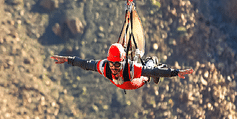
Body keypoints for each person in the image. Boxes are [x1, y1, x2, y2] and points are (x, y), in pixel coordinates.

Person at [51, 43, 193, 90]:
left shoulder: (131, 69)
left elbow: (153, 71)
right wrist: (68, 59)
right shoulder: (104, 66)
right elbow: (85, 64)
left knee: (147, 73)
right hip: (119, 83)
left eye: (117, 63)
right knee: (147, 72)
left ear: (123, 62)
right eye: (111, 62)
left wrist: (175, 72)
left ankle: (152, 60)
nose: (113, 66)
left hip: (131, 82)